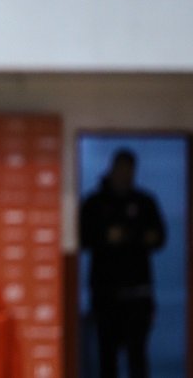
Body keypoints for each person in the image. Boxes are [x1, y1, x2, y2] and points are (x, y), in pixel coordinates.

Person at [80, 148, 166, 378]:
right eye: (121, 169)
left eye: (130, 170)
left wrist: (130, 236)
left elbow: (158, 237)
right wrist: (106, 237)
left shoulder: (145, 202)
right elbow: (82, 238)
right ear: (113, 168)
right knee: (107, 357)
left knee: (137, 357)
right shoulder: (95, 203)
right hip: (106, 294)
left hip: (138, 294)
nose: (125, 175)